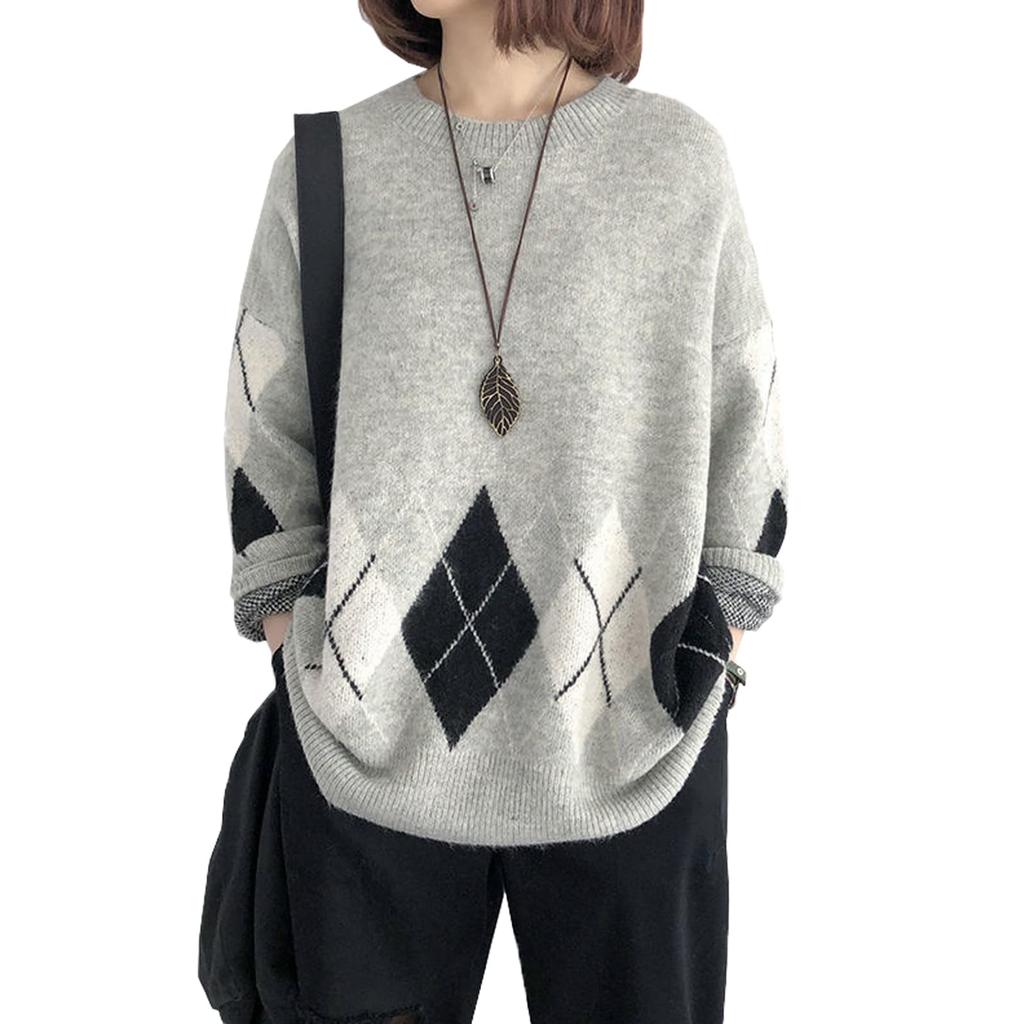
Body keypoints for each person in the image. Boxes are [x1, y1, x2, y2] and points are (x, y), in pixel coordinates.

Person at [215, 1, 787, 1021]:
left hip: (637, 749)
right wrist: (301, 649)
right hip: (361, 759)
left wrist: (711, 644)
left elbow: (747, 427)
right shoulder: (324, 169)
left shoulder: (676, 164)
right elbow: (270, 433)